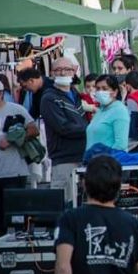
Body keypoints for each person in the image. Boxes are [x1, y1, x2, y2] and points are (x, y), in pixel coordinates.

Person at [54, 155, 138, 274]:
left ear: (84, 184)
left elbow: (63, 269)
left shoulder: (70, 219)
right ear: (119, 187)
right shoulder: (132, 223)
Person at [0, 78, 38, 237]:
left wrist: (13, 139)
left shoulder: (15, 109)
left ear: (0, 94)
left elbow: (33, 129)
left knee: (18, 215)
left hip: (14, 172)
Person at [41, 57, 88, 201]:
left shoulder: (76, 94)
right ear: (51, 73)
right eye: (58, 70)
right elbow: (63, 127)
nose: (62, 73)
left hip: (84, 157)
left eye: (67, 69)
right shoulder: (49, 98)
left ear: (74, 72)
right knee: (66, 202)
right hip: (64, 159)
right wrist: (90, 130)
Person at [85, 75, 130, 151]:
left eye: (105, 89)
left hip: (107, 160)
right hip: (92, 160)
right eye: (98, 89)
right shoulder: (100, 111)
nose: (100, 92)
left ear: (115, 92)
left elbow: (121, 145)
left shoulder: (119, 110)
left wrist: (105, 160)